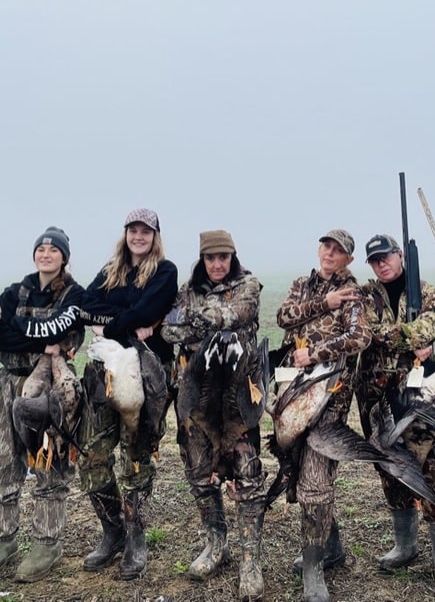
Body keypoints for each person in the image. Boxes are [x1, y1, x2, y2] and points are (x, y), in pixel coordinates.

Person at [0, 227, 86, 582]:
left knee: (49, 463)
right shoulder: (13, 292)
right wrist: (38, 333)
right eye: (41, 248)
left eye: (54, 249)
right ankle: (3, 539)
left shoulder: (75, 294)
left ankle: (47, 542)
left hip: (53, 385)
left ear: (64, 257)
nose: (46, 253)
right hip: (8, 380)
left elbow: (64, 332)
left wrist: (21, 329)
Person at [161, 230, 266, 601]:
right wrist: (210, 320)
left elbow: (239, 313)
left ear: (233, 257)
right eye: (211, 258)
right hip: (196, 396)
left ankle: (250, 560)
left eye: (223, 257)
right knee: (199, 472)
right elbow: (169, 329)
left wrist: (199, 319)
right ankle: (215, 543)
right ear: (202, 260)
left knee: (248, 472)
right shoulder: (188, 289)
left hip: (237, 397)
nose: (218, 264)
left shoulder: (248, 283)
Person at [78, 208, 178, 580]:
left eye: (145, 231)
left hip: (146, 371)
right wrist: (128, 320)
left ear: (154, 236)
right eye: (133, 230)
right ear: (125, 233)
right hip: (105, 370)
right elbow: (87, 307)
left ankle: (136, 538)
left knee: (136, 454)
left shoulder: (165, 271)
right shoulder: (110, 269)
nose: (139, 236)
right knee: (92, 454)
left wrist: (113, 321)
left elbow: (148, 308)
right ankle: (113, 530)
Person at [356, 234, 435, 593]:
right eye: (374, 260)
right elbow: (367, 333)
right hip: (374, 394)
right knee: (389, 468)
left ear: (401, 256)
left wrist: (400, 335)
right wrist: (407, 337)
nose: (381, 264)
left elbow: (428, 327)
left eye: (386, 257)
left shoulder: (427, 291)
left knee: (431, 470)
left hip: (418, 395)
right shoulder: (366, 295)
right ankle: (406, 545)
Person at [275, 229, 372, 602]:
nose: (330, 253)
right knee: (298, 473)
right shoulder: (303, 284)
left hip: (328, 401)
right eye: (326, 246)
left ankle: (314, 569)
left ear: (348, 259)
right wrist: (323, 303)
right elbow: (284, 316)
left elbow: (359, 337)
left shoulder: (354, 292)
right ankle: (331, 548)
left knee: (316, 481)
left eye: (339, 250)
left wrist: (314, 353)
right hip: (293, 396)